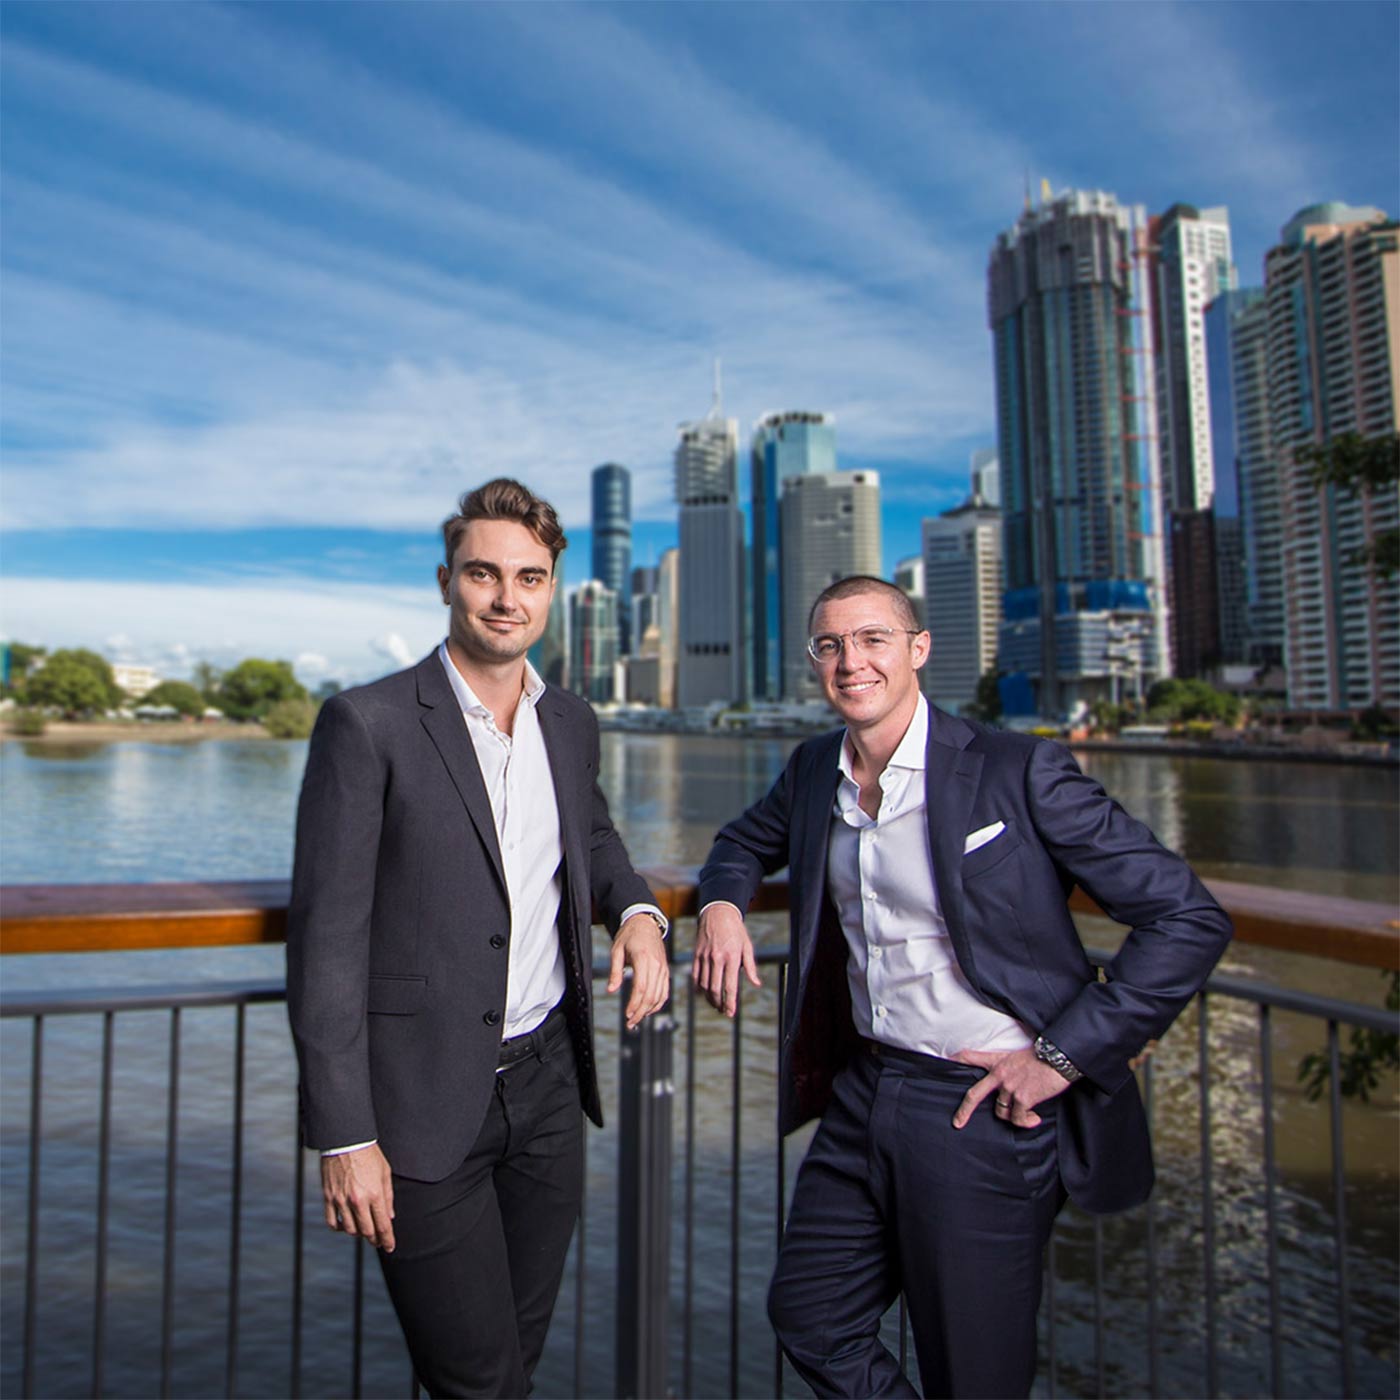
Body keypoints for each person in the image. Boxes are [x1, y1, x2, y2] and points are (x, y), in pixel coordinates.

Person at [693, 575, 1231, 1399]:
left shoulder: (1019, 770)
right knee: (810, 1313)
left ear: (918, 651)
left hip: (986, 1105)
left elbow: (1187, 917)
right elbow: (740, 841)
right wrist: (725, 903)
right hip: (865, 1087)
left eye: (873, 639)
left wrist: (1063, 1056)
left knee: (972, 1374)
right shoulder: (812, 772)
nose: (851, 662)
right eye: (830, 645)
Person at [286, 478, 669, 1399]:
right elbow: (326, 941)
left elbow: (597, 839)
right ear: (446, 581)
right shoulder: (366, 722)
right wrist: (344, 1136)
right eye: (484, 574)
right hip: (418, 1104)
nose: (508, 597)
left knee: (514, 1360)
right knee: (477, 1378)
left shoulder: (569, 722)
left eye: (530, 577)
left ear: (553, 590)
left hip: (546, 1090)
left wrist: (643, 915)